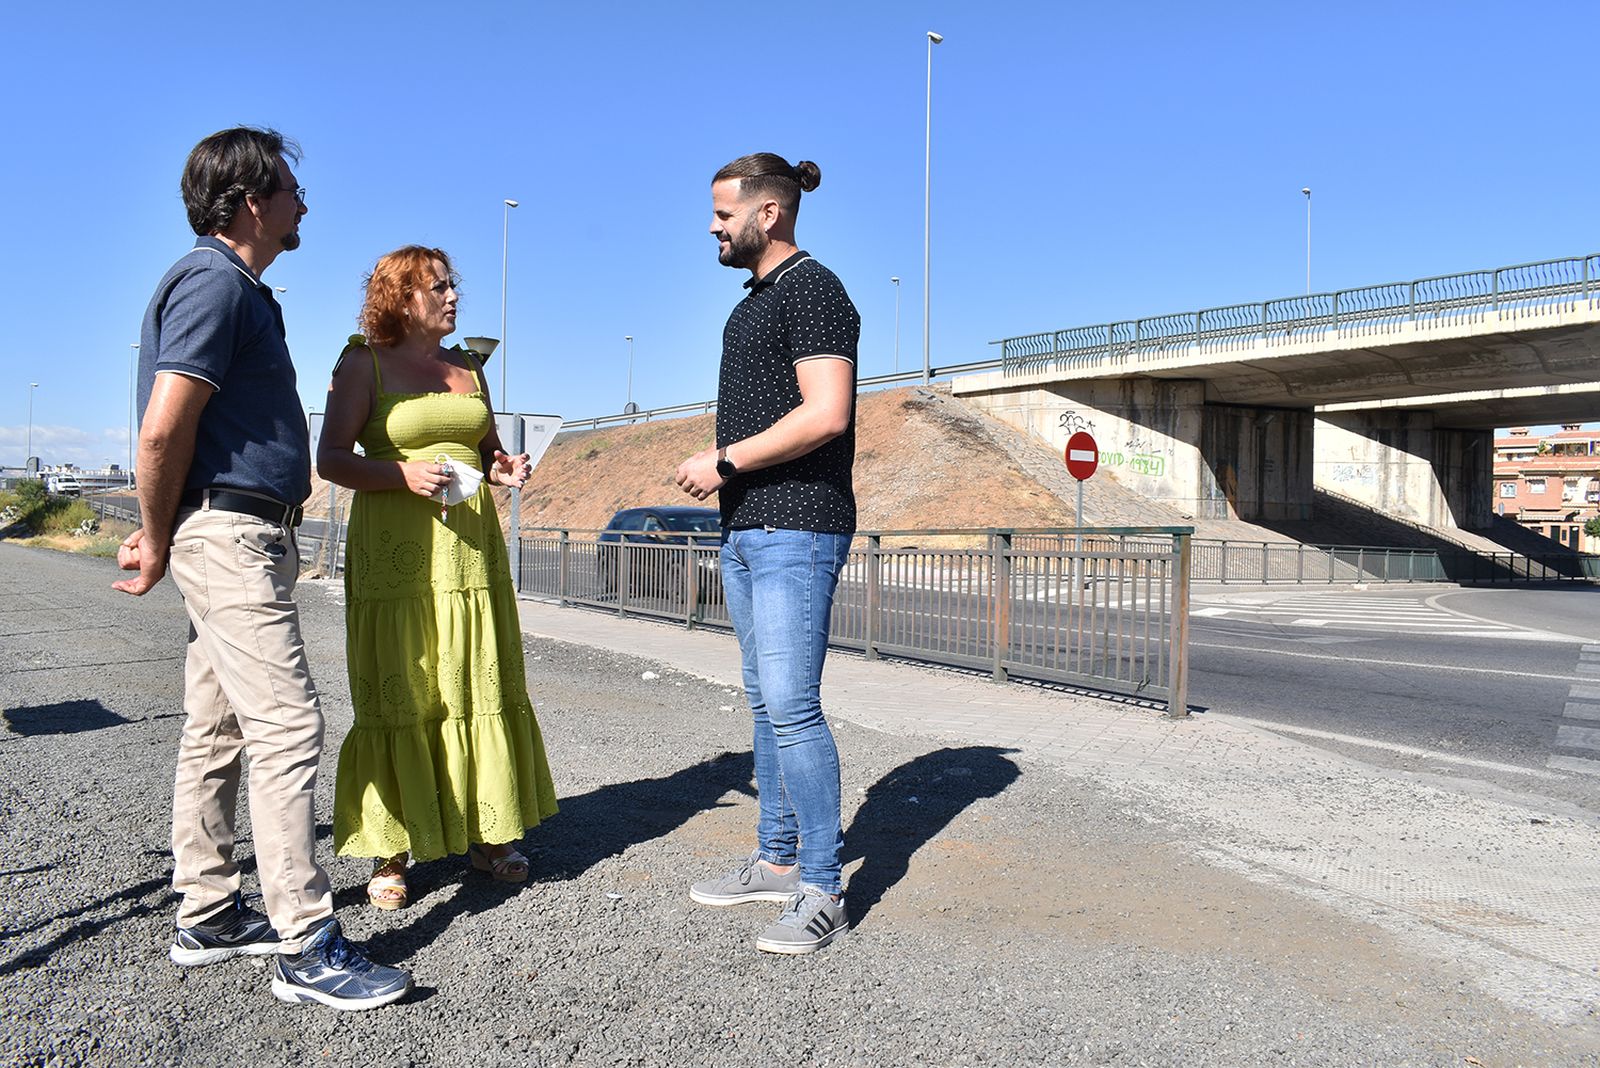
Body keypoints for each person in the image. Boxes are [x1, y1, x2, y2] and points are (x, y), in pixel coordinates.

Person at [115, 127, 410, 1010]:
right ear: (252, 200)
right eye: (290, 189)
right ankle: (306, 943)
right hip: (229, 535)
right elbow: (166, 426)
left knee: (218, 729)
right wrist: (158, 532)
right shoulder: (214, 281)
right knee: (289, 727)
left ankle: (207, 912)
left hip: (237, 532)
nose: (303, 203)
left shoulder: (240, 288)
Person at [316, 246, 558, 911]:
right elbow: (331, 458)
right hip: (398, 554)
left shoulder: (468, 370)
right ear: (400, 297)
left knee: (475, 678)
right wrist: (399, 473)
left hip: (470, 550)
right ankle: (390, 847)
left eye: (454, 286)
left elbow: (484, 454)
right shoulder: (361, 362)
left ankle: (487, 833)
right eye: (438, 287)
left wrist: (507, 469)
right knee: (405, 686)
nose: (453, 297)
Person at [675, 153, 860, 954]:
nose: (713, 227)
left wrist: (724, 461)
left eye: (723, 214)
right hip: (749, 527)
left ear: (768, 214)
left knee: (792, 705)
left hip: (799, 526)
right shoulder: (753, 304)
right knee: (763, 705)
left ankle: (823, 885)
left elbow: (827, 414)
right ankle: (777, 861)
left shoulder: (815, 289)